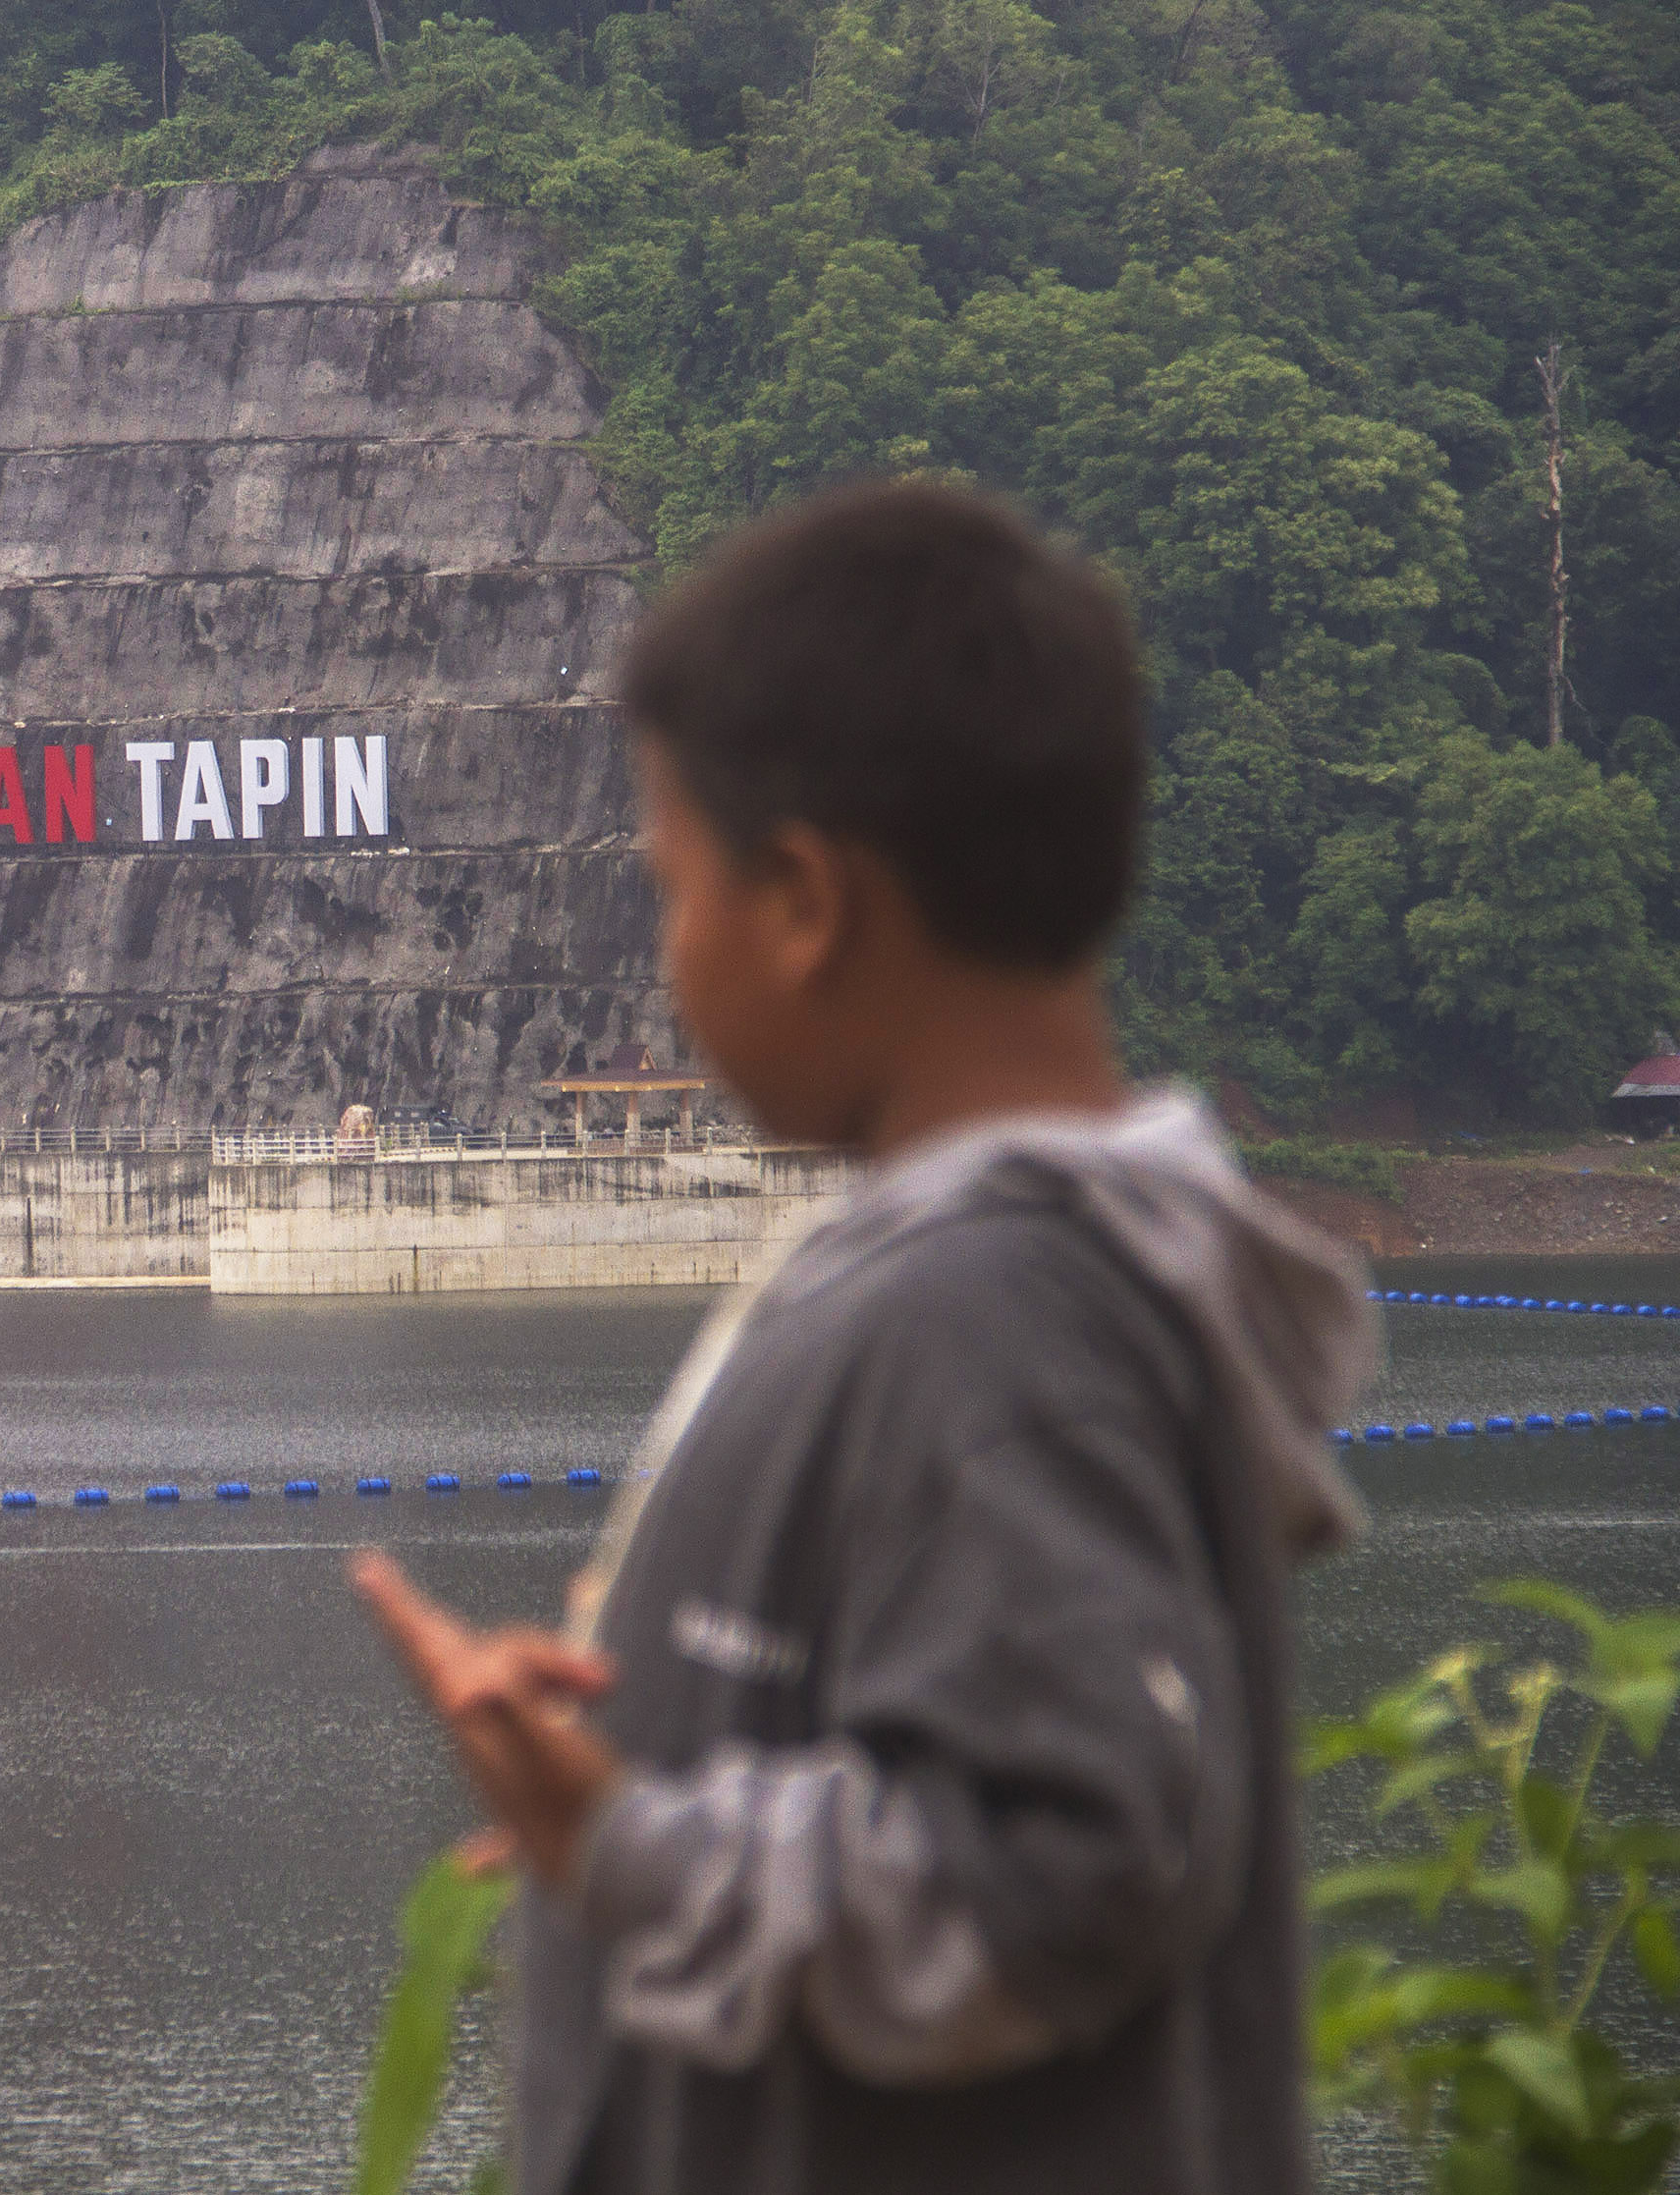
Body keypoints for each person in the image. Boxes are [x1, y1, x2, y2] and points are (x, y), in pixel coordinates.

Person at [352, 480, 1374, 2195]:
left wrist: (628, 1845)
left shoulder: (992, 1320)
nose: (670, 954)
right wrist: (648, 1762)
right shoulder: (988, 1285)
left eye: (673, 887)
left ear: (807, 904)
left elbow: (1068, 1863)